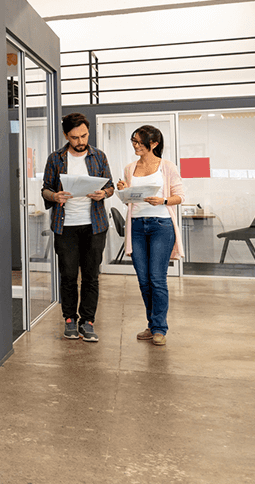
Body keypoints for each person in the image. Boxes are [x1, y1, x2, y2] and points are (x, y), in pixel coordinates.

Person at [41, 113, 113, 343]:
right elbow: (45, 189)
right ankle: (70, 320)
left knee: (91, 276)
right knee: (69, 276)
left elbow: (109, 186)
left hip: (95, 226)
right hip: (66, 226)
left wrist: (104, 193)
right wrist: (55, 195)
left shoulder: (98, 156)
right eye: (75, 137)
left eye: (83, 135)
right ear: (65, 135)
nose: (80, 141)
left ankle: (88, 322)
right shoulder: (56, 158)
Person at [116, 125, 185, 347]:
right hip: (136, 225)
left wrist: (163, 201)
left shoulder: (167, 167)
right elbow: (128, 200)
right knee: (144, 280)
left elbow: (180, 196)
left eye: (138, 142)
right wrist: (125, 189)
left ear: (153, 143)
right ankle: (151, 323)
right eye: (133, 141)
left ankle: (159, 328)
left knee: (157, 278)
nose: (135, 145)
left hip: (161, 225)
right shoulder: (129, 168)